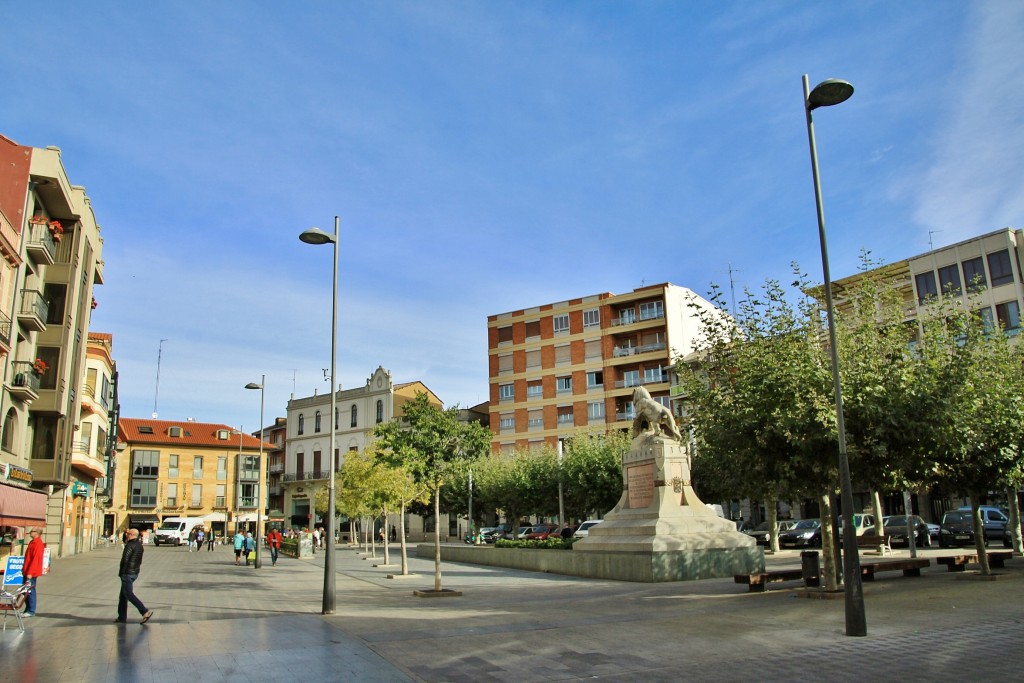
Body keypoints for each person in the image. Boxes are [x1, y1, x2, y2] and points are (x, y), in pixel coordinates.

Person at [115, 528, 153, 624]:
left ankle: (144, 611)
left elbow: (125, 559)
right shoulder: (139, 545)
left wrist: (122, 572)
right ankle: (122, 617)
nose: (126, 535)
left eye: (127, 533)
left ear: (131, 534)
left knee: (128, 594)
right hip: (134, 572)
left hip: (127, 572)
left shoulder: (129, 545)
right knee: (123, 596)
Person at [21, 527, 45, 617]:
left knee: (30, 591)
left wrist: (30, 573)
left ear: (37, 533)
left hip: (32, 572)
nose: (30, 532)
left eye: (32, 531)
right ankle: (27, 609)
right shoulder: (32, 542)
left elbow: (36, 559)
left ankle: (31, 610)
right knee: (25, 590)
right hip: (27, 570)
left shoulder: (38, 543)